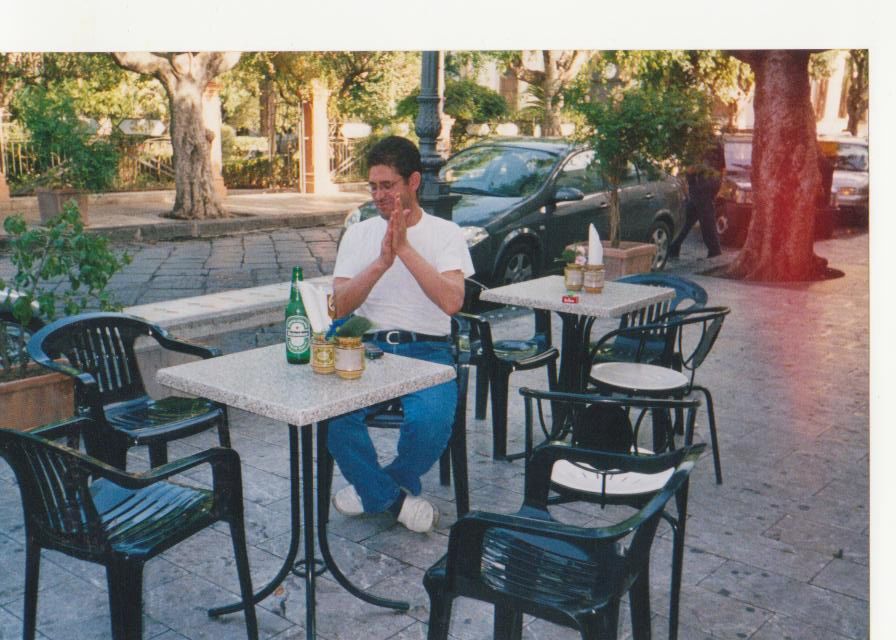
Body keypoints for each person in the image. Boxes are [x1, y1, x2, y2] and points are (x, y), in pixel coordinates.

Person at [328, 136, 475, 533]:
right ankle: (394, 500)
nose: (378, 196)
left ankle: (377, 487)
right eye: (373, 187)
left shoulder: (446, 233)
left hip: (427, 350)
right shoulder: (358, 234)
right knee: (333, 418)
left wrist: (405, 250)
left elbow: (452, 302)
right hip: (367, 348)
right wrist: (381, 262)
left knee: (431, 420)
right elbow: (337, 307)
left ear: (413, 181)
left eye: (387, 185)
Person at [668, 139, 725, 259]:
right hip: (708, 184)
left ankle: (714, 250)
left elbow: (691, 168)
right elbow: (722, 166)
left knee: (705, 219)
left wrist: (690, 180)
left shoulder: (696, 142)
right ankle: (675, 245)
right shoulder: (716, 143)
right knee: (690, 216)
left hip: (700, 185)